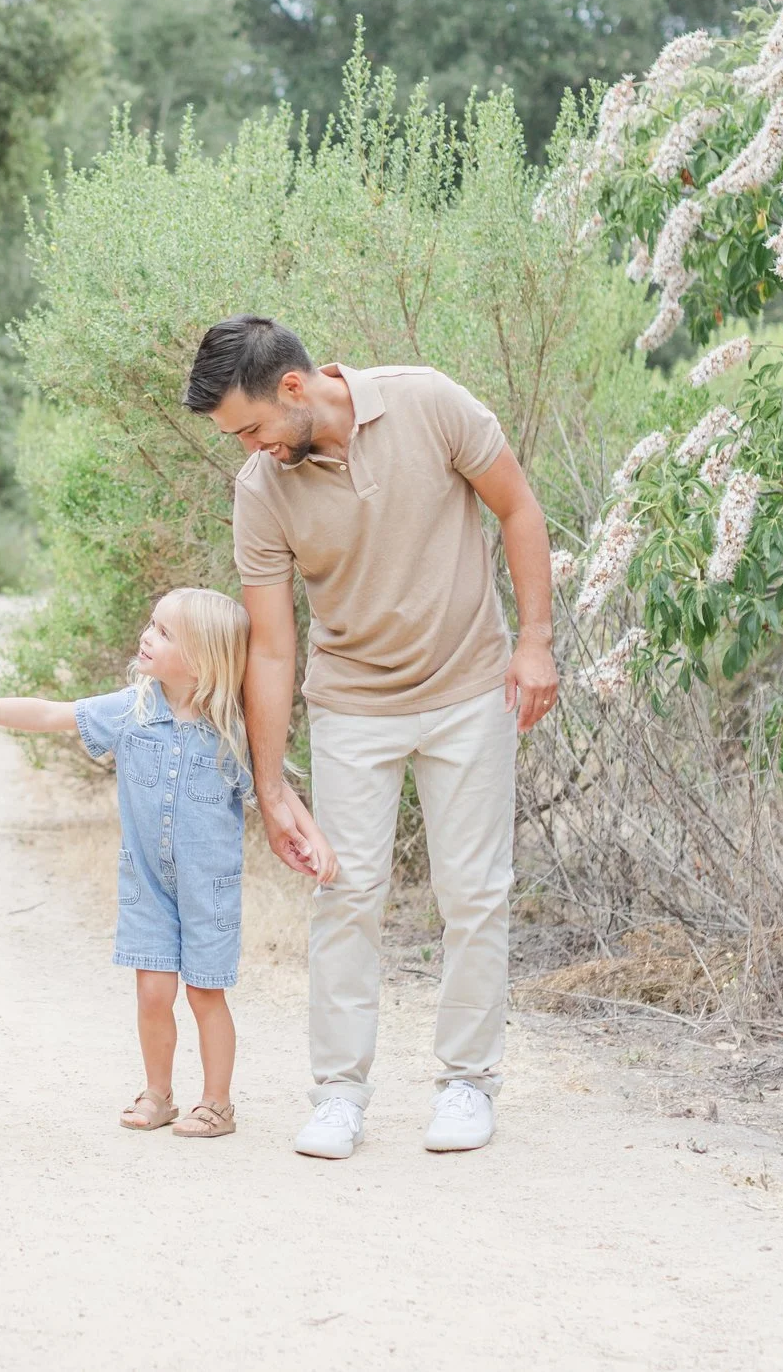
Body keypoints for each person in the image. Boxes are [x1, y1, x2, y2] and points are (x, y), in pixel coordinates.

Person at [182, 316, 559, 1160]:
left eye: (251, 427)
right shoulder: (260, 489)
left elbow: (518, 507)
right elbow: (273, 645)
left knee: (474, 892)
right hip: (353, 703)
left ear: (294, 387)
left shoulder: (429, 402)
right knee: (344, 896)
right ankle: (340, 1094)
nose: (249, 448)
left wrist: (535, 640)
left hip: (468, 686)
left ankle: (468, 1082)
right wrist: (272, 785)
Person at [0, 589, 255, 1140]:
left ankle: (217, 1103)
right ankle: (158, 1093)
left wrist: (306, 837)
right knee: (152, 992)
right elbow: (56, 714)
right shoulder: (133, 710)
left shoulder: (233, 730)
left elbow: (271, 794)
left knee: (205, 993)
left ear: (205, 657)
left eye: (166, 633)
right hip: (147, 884)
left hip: (209, 889)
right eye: (152, 624)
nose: (148, 636)